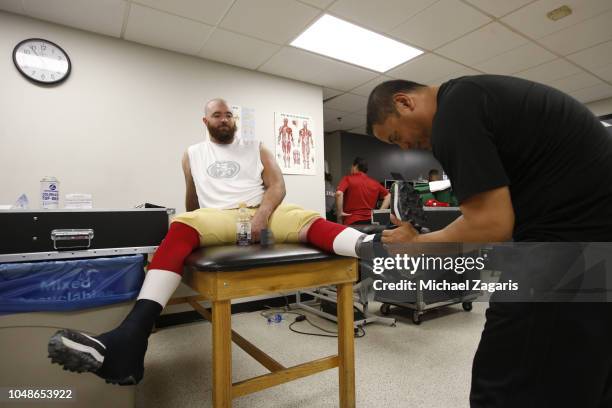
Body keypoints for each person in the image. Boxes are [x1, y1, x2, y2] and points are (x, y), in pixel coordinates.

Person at [48, 98, 380, 385]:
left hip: (264, 211)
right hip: (219, 217)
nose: (225, 119)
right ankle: (131, 339)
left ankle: (373, 249)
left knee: (307, 220)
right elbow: (192, 200)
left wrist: (262, 217)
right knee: (181, 225)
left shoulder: (257, 146)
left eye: (229, 115)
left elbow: (277, 187)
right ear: (205, 121)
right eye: (218, 115)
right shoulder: (191, 154)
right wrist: (195, 229)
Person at [366, 76, 612, 407]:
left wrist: (417, 244)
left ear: (404, 102)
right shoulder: (475, 97)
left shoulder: (454, 113)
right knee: (581, 379)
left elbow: (491, 225)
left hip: (570, 248)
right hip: (592, 244)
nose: (404, 147)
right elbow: (487, 213)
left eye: (397, 137)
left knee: (500, 386)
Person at [336, 157, 390, 225]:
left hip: (352, 221)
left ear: (355, 166)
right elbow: (388, 196)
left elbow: (339, 194)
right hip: (371, 222)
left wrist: (340, 214)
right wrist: (378, 213)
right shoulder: (375, 183)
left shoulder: (347, 179)